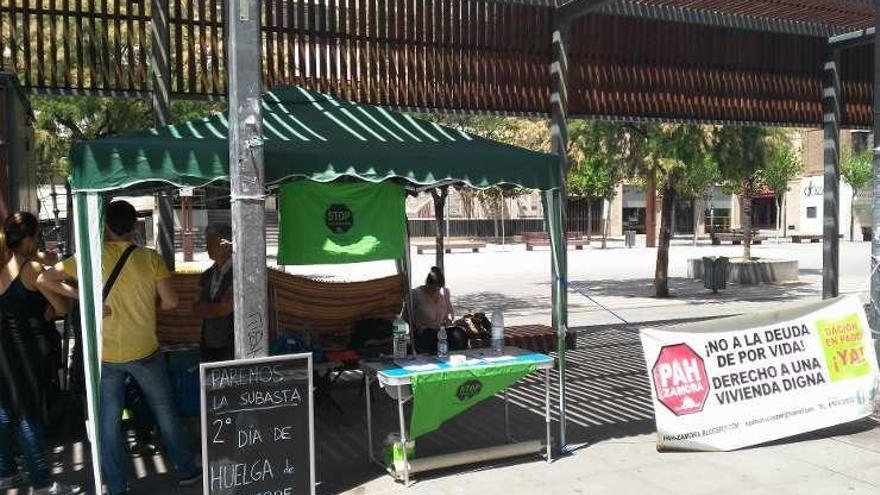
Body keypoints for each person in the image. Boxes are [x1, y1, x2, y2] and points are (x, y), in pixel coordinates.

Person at [39, 201, 201, 495]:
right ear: (134, 226)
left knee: (109, 422)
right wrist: (153, 304)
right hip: (145, 350)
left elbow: (44, 278)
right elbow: (172, 301)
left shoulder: (89, 257)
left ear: (106, 226)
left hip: (106, 354)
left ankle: (116, 484)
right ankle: (186, 470)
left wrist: (84, 296)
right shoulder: (150, 258)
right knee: (165, 412)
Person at [0, 212, 76, 494]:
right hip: (27, 350)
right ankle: (43, 483)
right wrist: (46, 312)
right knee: (28, 414)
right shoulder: (30, 269)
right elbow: (61, 308)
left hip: (3, 350)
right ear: (30, 237)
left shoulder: (4, 263)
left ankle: (5, 471)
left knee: (6, 410)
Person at [193, 223, 234, 362]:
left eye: (211, 244)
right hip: (209, 341)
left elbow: (226, 308)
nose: (207, 248)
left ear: (226, 245)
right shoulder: (206, 275)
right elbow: (195, 308)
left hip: (232, 343)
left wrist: (207, 308)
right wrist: (217, 308)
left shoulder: (238, 274)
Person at [409, 266, 468, 352]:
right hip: (423, 334)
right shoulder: (415, 294)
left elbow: (449, 317)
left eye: (437, 289)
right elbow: (405, 317)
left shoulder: (442, 296)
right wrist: (415, 327)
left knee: (459, 332)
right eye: (432, 289)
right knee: (438, 339)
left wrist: (447, 300)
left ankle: (460, 355)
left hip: (439, 330)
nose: (435, 292)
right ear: (427, 284)